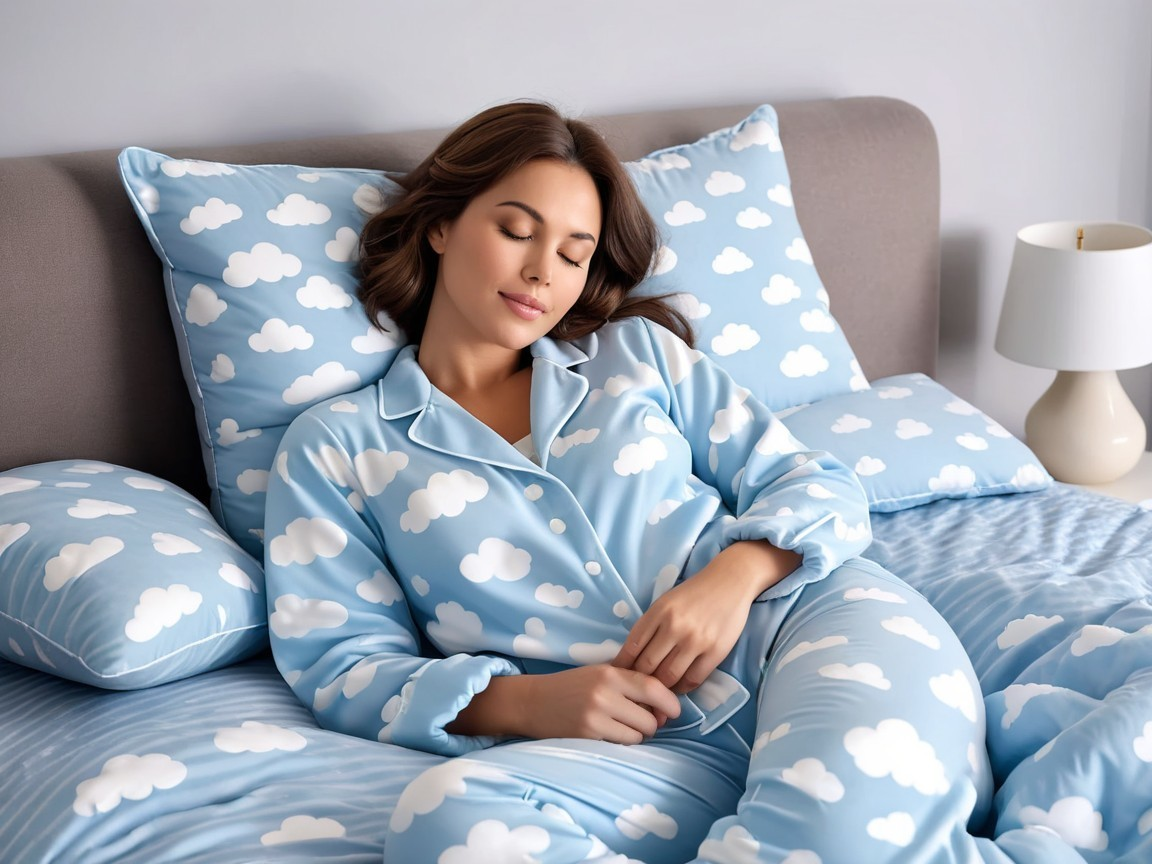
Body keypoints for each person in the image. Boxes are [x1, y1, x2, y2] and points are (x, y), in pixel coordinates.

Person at [263, 101, 1023, 864]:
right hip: (637, 755)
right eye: (516, 231)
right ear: (440, 226)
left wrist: (732, 576)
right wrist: (529, 702)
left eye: (573, 252)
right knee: (447, 819)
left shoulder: (636, 357)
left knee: (834, 822)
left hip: (805, 632)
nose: (541, 272)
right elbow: (343, 663)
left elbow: (811, 480)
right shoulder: (339, 446)